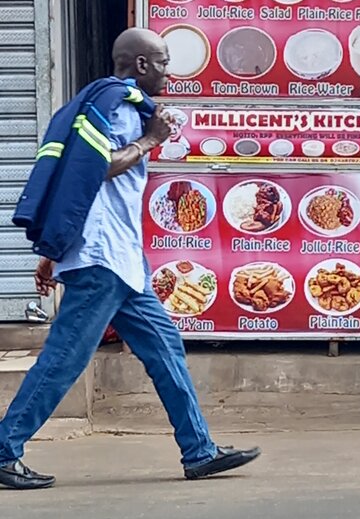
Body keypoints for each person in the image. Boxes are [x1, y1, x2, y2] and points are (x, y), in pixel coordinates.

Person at [0, 28, 260, 490]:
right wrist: (150, 140)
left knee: (165, 348)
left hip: (120, 261)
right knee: (64, 359)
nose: (168, 71)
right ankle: (4, 450)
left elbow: (81, 183)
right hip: (103, 260)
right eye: (162, 62)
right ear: (141, 64)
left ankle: (199, 450)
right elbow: (96, 167)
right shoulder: (120, 104)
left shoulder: (108, 103)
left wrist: (56, 253)